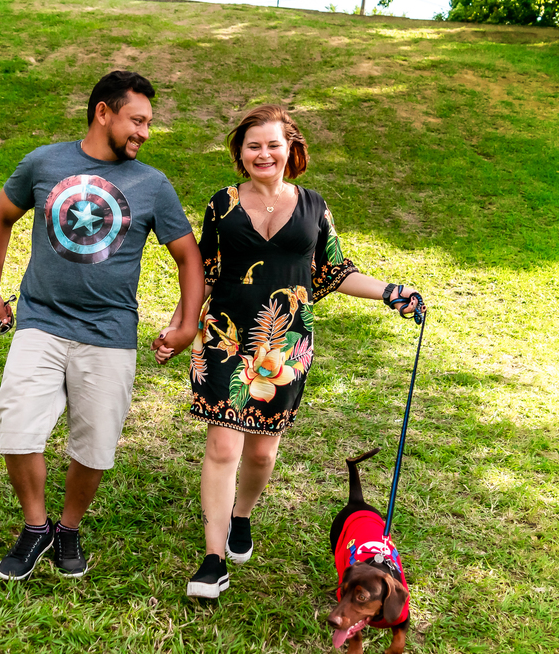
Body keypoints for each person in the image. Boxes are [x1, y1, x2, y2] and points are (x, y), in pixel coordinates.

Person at [154, 104, 424, 600]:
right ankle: (213, 560)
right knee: (223, 447)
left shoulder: (313, 206)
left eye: (272, 144)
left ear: (290, 149)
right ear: (240, 151)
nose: (263, 153)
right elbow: (202, 272)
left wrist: (391, 291)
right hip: (226, 336)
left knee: (261, 451)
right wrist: (181, 326)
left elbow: (336, 272)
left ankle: (242, 515)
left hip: (287, 345)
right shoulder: (222, 205)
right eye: (253, 145)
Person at [0, 70, 203, 582]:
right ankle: (36, 528)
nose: (145, 132)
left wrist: (186, 323)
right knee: (17, 427)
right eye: (137, 120)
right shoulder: (44, 162)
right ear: (104, 111)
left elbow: (188, 258)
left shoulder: (153, 184)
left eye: (149, 123)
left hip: (110, 332)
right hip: (40, 319)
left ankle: (69, 527)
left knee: (95, 443)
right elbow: (0, 218)